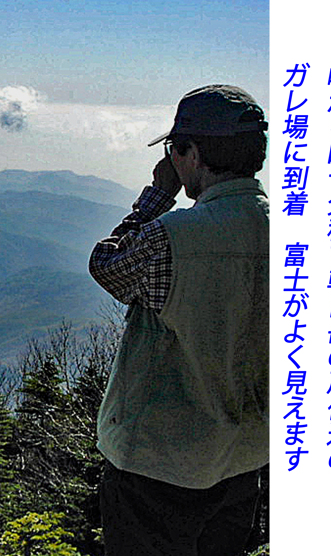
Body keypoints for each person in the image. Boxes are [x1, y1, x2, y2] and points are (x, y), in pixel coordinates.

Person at [88, 85, 269, 556]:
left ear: (192, 153)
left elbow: (107, 265)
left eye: (174, 148)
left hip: (157, 465)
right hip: (245, 457)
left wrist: (157, 195)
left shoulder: (173, 236)